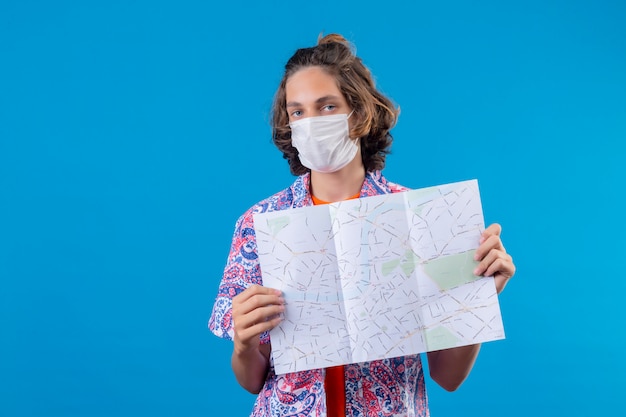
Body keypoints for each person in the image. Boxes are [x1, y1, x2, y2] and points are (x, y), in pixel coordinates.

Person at [208, 33, 516, 417]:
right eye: (298, 111)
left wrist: (478, 297)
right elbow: (252, 379)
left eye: (327, 106)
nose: (310, 122)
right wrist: (243, 344)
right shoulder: (259, 225)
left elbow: (448, 377)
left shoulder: (421, 217)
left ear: (358, 111)